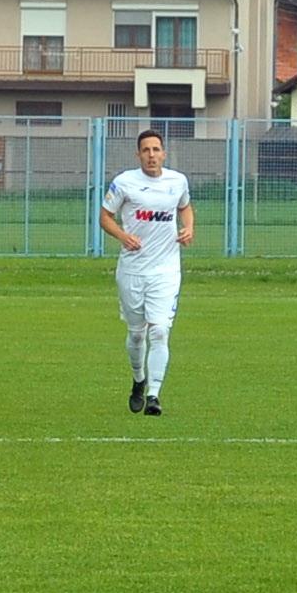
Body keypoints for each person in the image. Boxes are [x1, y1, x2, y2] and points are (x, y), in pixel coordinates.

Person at [100, 128, 193, 415]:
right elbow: (105, 216)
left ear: (163, 153)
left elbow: (185, 207)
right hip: (132, 271)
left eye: (156, 150)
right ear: (138, 154)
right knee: (137, 334)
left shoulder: (177, 181)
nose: (151, 155)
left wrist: (189, 227)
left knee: (160, 331)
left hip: (165, 271)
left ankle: (154, 395)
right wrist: (122, 236)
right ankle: (138, 380)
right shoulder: (124, 183)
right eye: (146, 150)